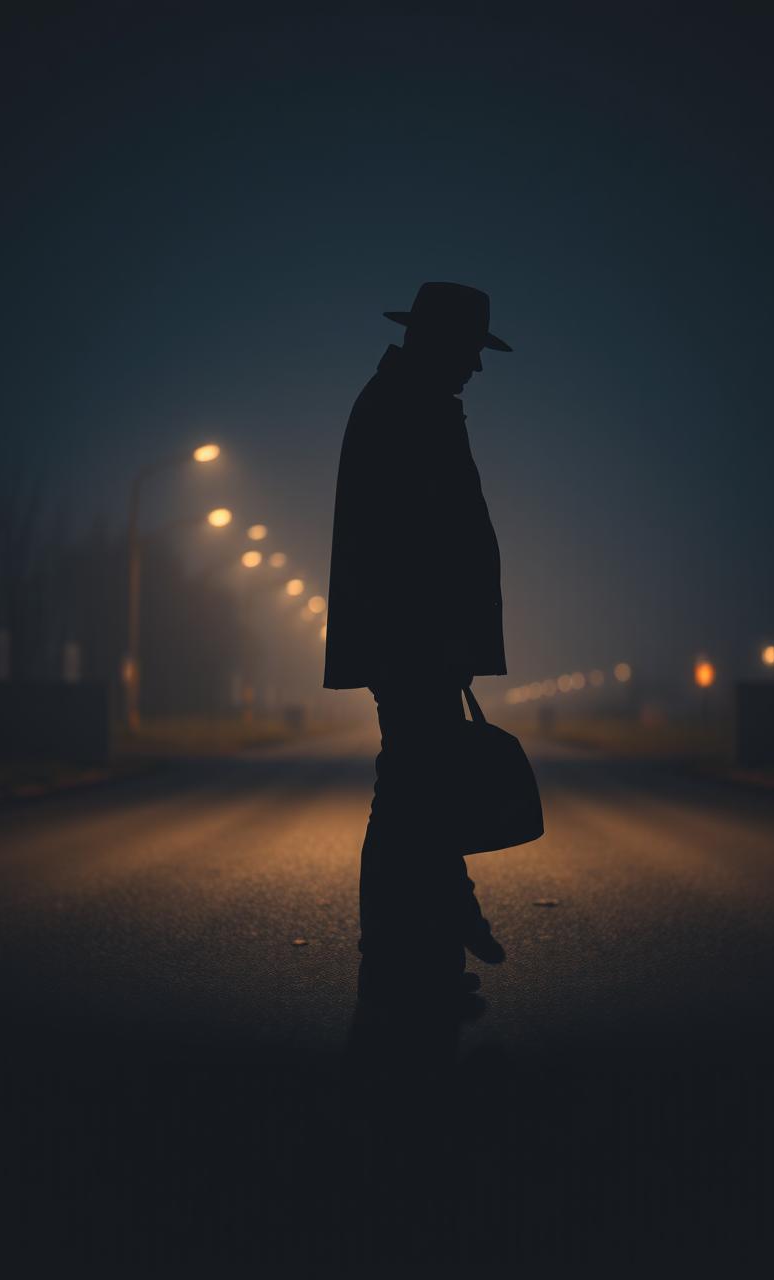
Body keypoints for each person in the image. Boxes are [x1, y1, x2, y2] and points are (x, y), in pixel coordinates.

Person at [323, 281, 511, 1010]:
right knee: (411, 791)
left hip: (415, 639)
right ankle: (411, 955)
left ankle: (419, 952)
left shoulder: (404, 402)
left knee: (414, 790)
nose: (477, 367)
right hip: (414, 640)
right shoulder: (407, 410)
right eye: (471, 350)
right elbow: (416, 545)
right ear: (439, 344)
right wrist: (441, 641)